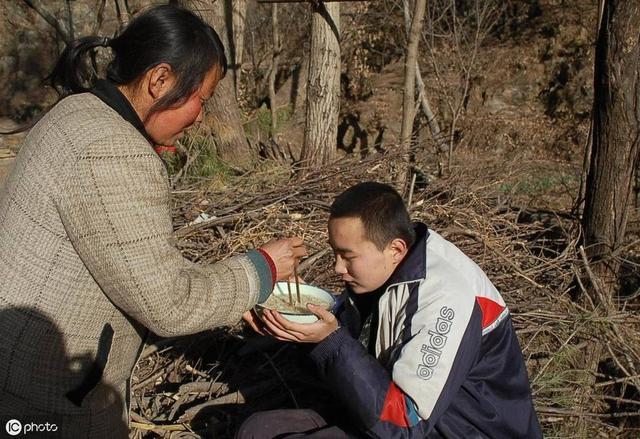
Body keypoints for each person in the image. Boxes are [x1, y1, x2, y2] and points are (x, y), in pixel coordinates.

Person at [0, 5, 305, 437]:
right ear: (159, 80)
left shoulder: (77, 112)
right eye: (200, 98)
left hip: (19, 367)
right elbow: (170, 305)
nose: (200, 115)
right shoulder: (115, 151)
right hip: (53, 399)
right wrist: (262, 269)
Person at [241, 182, 542, 438]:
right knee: (257, 430)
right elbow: (355, 340)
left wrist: (330, 339)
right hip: (388, 416)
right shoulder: (387, 268)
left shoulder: (447, 296)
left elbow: (406, 424)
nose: (337, 267)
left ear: (395, 249)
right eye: (334, 252)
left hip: (452, 430)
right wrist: (293, 310)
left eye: (347, 256)